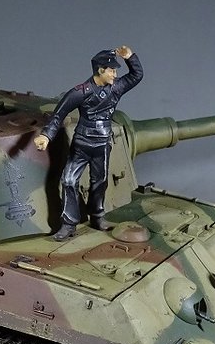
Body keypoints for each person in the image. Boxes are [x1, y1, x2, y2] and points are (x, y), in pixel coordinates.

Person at [34, 45, 143, 240]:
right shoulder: (80, 92)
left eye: (115, 70)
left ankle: (97, 216)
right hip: (82, 144)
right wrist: (46, 136)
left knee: (99, 182)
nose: (115, 74)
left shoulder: (116, 88)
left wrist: (130, 57)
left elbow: (137, 75)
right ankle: (69, 223)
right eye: (111, 70)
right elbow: (59, 114)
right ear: (100, 70)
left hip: (102, 144)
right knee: (68, 180)